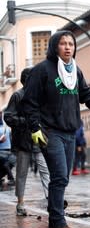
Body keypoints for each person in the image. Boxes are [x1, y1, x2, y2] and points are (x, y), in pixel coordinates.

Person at [22, 30, 90, 228]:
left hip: (70, 132)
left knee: (63, 178)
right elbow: (29, 102)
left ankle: (53, 227)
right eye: (63, 43)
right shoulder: (41, 71)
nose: (68, 47)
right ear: (54, 46)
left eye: (71, 43)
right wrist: (35, 128)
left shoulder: (74, 71)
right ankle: (60, 225)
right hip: (50, 131)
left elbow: (85, 93)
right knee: (59, 176)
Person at [4, 67, 50, 216]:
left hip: (39, 141)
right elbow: (8, 117)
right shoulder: (17, 96)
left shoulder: (40, 97)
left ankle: (52, 201)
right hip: (23, 142)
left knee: (45, 171)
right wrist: (26, 122)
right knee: (21, 174)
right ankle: (20, 203)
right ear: (27, 80)